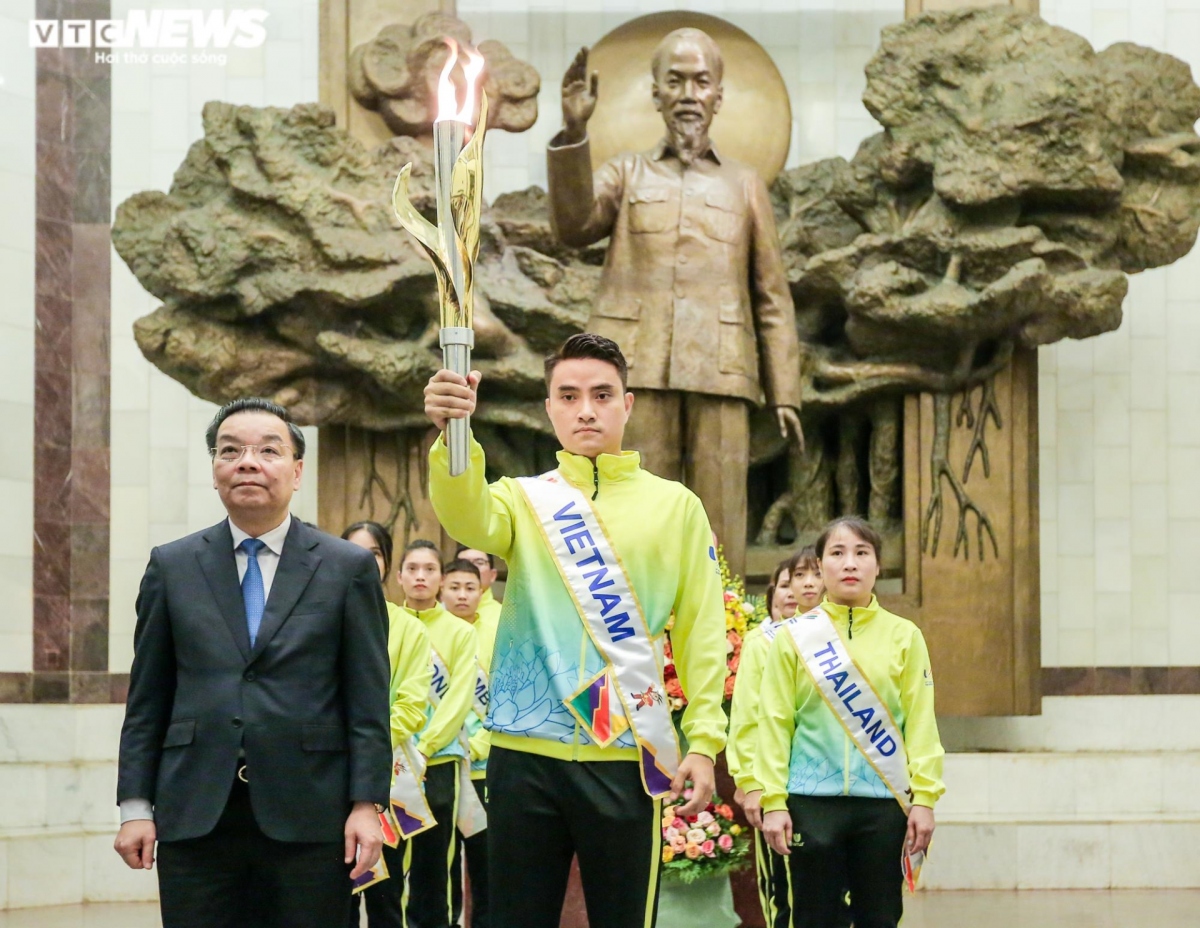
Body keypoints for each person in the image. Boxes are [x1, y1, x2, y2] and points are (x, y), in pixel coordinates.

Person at [423, 332, 729, 928]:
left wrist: (704, 741)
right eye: (568, 396)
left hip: (625, 749)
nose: (585, 409)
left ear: (628, 403)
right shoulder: (522, 499)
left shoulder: (677, 507)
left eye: (601, 394)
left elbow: (701, 629)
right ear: (549, 409)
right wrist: (451, 434)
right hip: (521, 752)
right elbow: (464, 514)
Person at [114, 398, 391, 928]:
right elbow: (148, 697)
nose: (248, 462)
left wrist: (366, 805)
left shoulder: (346, 567)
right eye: (231, 450)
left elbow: (367, 698)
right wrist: (135, 806)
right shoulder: (172, 566)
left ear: (297, 469)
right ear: (215, 469)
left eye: (268, 450)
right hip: (196, 813)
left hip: (312, 812)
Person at [547, 29, 803, 574]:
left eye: (701, 81)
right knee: (635, 505)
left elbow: (772, 295)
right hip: (636, 369)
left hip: (722, 368)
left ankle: (725, 626)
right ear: (656, 94)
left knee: (720, 516)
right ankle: (636, 621)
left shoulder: (746, 184)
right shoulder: (626, 172)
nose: (689, 93)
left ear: (719, 96)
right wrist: (574, 132)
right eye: (676, 81)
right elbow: (573, 227)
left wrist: (786, 390)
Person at [757, 518, 945, 928]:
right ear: (821, 566)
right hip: (810, 802)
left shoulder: (905, 636)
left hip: (882, 806)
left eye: (862, 553)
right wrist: (773, 801)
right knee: (812, 918)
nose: (850, 564)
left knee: (879, 917)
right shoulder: (793, 637)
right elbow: (774, 722)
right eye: (838, 553)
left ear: (878, 567)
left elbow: (920, 723)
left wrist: (926, 799)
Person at [342, 521, 433, 928]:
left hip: (387, 778)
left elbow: (412, 707)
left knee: (386, 897)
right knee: (329, 895)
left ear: (386, 563)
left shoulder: (409, 627)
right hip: (323, 775)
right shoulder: (316, 617)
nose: (363, 560)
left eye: (374, 553)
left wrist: (361, 743)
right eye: (354, 550)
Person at [398, 540, 480, 928]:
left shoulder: (460, 633)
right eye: (412, 568)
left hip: (439, 760)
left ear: (441, 579)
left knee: (435, 863)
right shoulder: (386, 624)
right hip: (392, 758)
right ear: (399, 577)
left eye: (429, 569)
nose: (420, 576)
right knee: (390, 861)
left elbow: (460, 696)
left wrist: (425, 748)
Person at [727, 557, 804, 928]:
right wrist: (750, 781)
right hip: (779, 788)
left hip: (832, 787)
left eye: (806, 577)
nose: (795, 589)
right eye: (787, 582)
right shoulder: (762, 641)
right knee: (784, 895)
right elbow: (746, 718)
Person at [441, 558, 494, 928]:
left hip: (483, 769)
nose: (462, 595)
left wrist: (476, 747)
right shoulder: (424, 633)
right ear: (442, 589)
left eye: (469, 588)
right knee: (439, 872)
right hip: (439, 765)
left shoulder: (495, 631)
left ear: (482, 590)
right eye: (455, 587)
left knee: (487, 869)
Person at [456, 544, 503, 629]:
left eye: (479, 563)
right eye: (463, 563)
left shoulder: (505, 618)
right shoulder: (441, 612)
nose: (470, 568)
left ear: (492, 575)